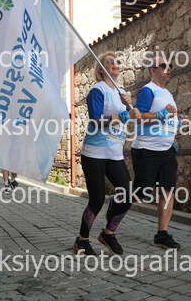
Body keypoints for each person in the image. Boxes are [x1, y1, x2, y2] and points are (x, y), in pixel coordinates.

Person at [72, 52, 140, 256]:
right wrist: (123, 115)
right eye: (110, 61)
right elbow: (95, 120)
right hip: (94, 153)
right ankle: (82, 241)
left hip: (114, 153)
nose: (115, 64)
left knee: (127, 194)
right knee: (97, 199)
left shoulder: (123, 93)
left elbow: (133, 117)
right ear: (101, 70)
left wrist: (131, 106)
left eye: (117, 61)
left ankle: (108, 233)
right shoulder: (97, 90)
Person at [131, 56, 188, 250]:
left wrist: (178, 121)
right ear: (153, 70)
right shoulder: (148, 90)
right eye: (164, 66)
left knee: (167, 190)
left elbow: (168, 119)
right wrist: (164, 114)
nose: (168, 68)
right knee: (141, 193)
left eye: (170, 66)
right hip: (147, 150)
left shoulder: (168, 94)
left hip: (167, 151)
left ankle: (162, 234)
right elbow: (139, 117)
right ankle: (118, 202)